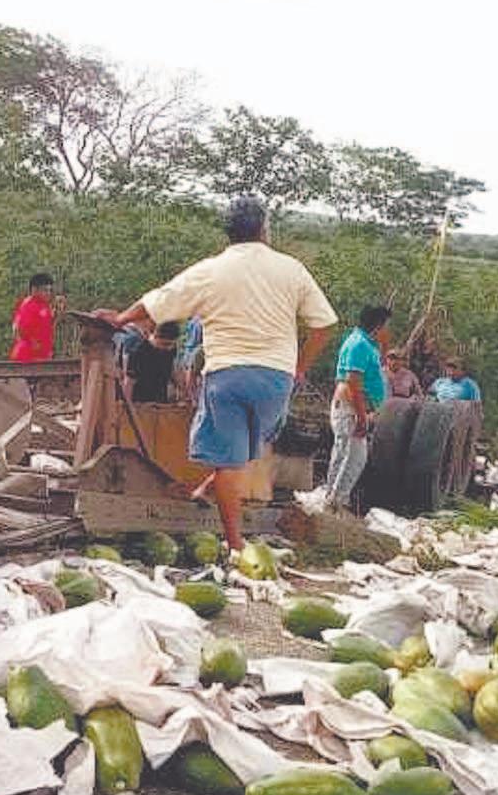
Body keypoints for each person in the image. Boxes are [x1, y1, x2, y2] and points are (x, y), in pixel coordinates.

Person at [99, 198, 338, 552]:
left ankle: (236, 547)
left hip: (228, 375)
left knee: (229, 460)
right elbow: (325, 325)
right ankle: (205, 490)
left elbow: (162, 300)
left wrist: (120, 319)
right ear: (264, 230)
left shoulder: (212, 269)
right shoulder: (292, 269)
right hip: (275, 379)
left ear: (228, 233)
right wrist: (299, 367)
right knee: (246, 452)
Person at [324, 305, 391, 508]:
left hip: (353, 408)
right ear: (378, 326)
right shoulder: (359, 345)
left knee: (344, 454)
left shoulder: (366, 344)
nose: (389, 331)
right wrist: (361, 417)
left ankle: (331, 498)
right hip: (351, 409)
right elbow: (353, 382)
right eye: (387, 326)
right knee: (353, 459)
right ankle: (335, 503)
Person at [10, 272, 59, 363]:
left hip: (41, 358)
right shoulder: (28, 306)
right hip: (27, 357)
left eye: (50, 290)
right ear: (34, 290)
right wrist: (36, 346)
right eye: (45, 290)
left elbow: (44, 329)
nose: (48, 293)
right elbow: (21, 330)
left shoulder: (44, 306)